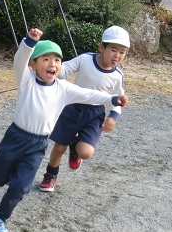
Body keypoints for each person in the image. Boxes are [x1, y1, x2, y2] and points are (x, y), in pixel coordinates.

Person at [0, 28, 128, 232]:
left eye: (57, 60)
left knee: (20, 186)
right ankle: (10, 179)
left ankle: (0, 217)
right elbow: (20, 58)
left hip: (37, 145)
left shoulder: (63, 88)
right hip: (15, 137)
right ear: (33, 65)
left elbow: (88, 94)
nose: (52, 64)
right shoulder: (25, 80)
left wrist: (112, 100)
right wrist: (30, 42)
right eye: (45, 59)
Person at [38, 25, 130, 193]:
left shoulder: (118, 75)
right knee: (59, 147)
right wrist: (53, 68)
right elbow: (65, 70)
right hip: (72, 108)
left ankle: (76, 146)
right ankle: (50, 175)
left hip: (94, 114)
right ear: (102, 47)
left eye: (122, 52)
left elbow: (118, 97)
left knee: (86, 153)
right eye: (113, 50)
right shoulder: (85, 59)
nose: (117, 55)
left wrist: (112, 117)